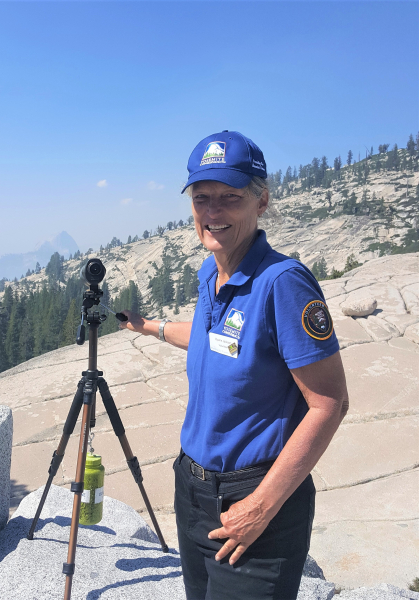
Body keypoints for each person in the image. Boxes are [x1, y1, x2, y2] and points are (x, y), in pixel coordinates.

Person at [120, 131, 349, 600]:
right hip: (194, 491)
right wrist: (150, 327)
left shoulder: (283, 284)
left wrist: (260, 507)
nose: (213, 211)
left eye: (230, 197)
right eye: (202, 198)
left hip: (254, 500)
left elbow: (330, 403)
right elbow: (218, 340)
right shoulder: (212, 271)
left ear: (261, 201)